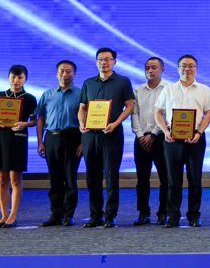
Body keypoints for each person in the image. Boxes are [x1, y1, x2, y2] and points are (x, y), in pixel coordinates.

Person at [77, 47, 135, 228]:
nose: (104, 62)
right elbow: (82, 107)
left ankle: (110, 215)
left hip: (112, 133)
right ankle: (95, 215)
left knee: (111, 176)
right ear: (96, 62)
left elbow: (130, 106)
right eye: (101, 59)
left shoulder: (123, 81)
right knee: (92, 177)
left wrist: (115, 123)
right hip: (90, 136)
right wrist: (81, 123)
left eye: (108, 59)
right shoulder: (88, 83)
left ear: (114, 62)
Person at [155, 54, 210, 228]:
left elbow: (209, 113)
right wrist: (165, 131)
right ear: (178, 68)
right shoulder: (168, 89)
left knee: (195, 179)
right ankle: (173, 216)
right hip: (172, 139)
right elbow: (158, 112)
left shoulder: (204, 89)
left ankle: (194, 216)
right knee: (173, 180)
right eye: (183, 65)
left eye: (191, 65)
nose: (187, 69)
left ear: (196, 68)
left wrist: (200, 132)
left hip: (195, 139)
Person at [34, 61, 82, 227]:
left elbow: (87, 119)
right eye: (62, 71)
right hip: (51, 139)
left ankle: (68, 215)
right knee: (55, 179)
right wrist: (40, 142)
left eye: (69, 71)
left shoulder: (81, 94)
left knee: (70, 178)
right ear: (57, 73)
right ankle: (56, 214)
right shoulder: (47, 94)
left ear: (74, 74)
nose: (65, 74)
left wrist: (83, 142)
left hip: (73, 138)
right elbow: (41, 119)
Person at [131, 57, 168, 226]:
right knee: (142, 179)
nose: (150, 71)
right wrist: (140, 135)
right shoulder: (138, 90)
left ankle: (163, 212)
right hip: (141, 140)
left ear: (162, 70)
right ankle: (143, 212)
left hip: (161, 139)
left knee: (165, 178)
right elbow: (134, 114)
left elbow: (167, 114)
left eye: (154, 67)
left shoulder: (169, 90)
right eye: (147, 68)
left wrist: (153, 135)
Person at [0, 65, 37, 228]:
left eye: (20, 77)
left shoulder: (29, 98)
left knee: (15, 179)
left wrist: (24, 124)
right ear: (8, 77)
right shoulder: (1, 95)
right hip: (1, 139)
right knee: (2, 180)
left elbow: (34, 121)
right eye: (13, 77)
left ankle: (13, 215)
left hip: (17, 140)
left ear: (25, 79)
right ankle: (4, 215)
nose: (16, 80)